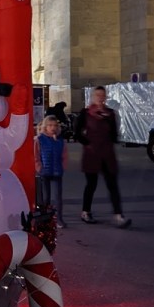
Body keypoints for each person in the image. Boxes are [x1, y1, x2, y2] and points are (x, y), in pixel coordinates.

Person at [74, 86, 130, 228]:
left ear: (105, 97)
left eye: (102, 95)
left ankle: (118, 215)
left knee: (113, 185)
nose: (100, 97)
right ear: (93, 97)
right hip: (92, 154)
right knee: (91, 184)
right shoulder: (86, 113)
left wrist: (109, 136)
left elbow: (114, 134)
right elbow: (77, 132)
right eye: (97, 95)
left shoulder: (110, 114)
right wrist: (88, 143)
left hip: (107, 154)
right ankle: (86, 211)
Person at [34, 115, 67, 228]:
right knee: (46, 197)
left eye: (55, 125)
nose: (52, 128)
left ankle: (59, 219)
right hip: (44, 171)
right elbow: (36, 155)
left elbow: (64, 155)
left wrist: (62, 167)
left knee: (58, 197)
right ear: (45, 126)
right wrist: (39, 167)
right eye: (50, 125)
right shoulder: (39, 139)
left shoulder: (60, 140)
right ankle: (46, 218)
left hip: (57, 171)